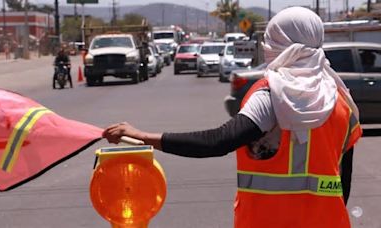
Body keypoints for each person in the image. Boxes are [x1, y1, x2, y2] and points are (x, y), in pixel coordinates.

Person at [103, 7, 362, 228]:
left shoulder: (273, 94)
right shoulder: (341, 100)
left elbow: (218, 141)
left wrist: (143, 136)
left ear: (282, 43)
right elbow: (343, 181)